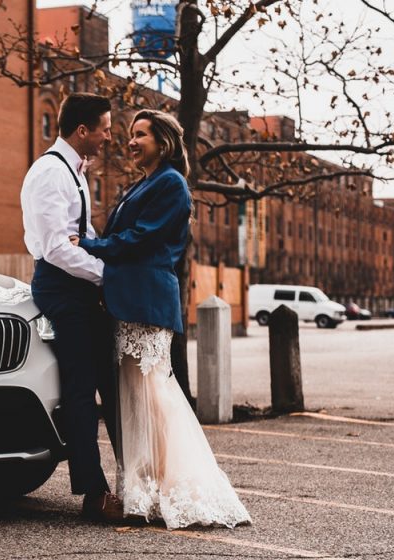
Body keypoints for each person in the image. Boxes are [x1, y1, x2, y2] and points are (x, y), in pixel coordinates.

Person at [73, 109, 251, 529]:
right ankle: (147, 488)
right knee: (138, 395)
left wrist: (91, 246)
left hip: (147, 300)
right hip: (130, 300)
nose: (131, 142)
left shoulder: (171, 183)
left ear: (164, 141)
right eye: (130, 134)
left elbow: (143, 237)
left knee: (153, 394)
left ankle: (173, 486)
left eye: (141, 135)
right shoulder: (146, 182)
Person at [21, 93, 122, 523]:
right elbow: (57, 248)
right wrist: (106, 275)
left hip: (81, 288)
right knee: (81, 391)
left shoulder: (76, 172)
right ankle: (93, 494)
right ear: (83, 130)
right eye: (105, 127)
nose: (109, 136)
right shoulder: (49, 173)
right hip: (63, 289)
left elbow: (83, 233)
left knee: (109, 387)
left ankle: (130, 483)